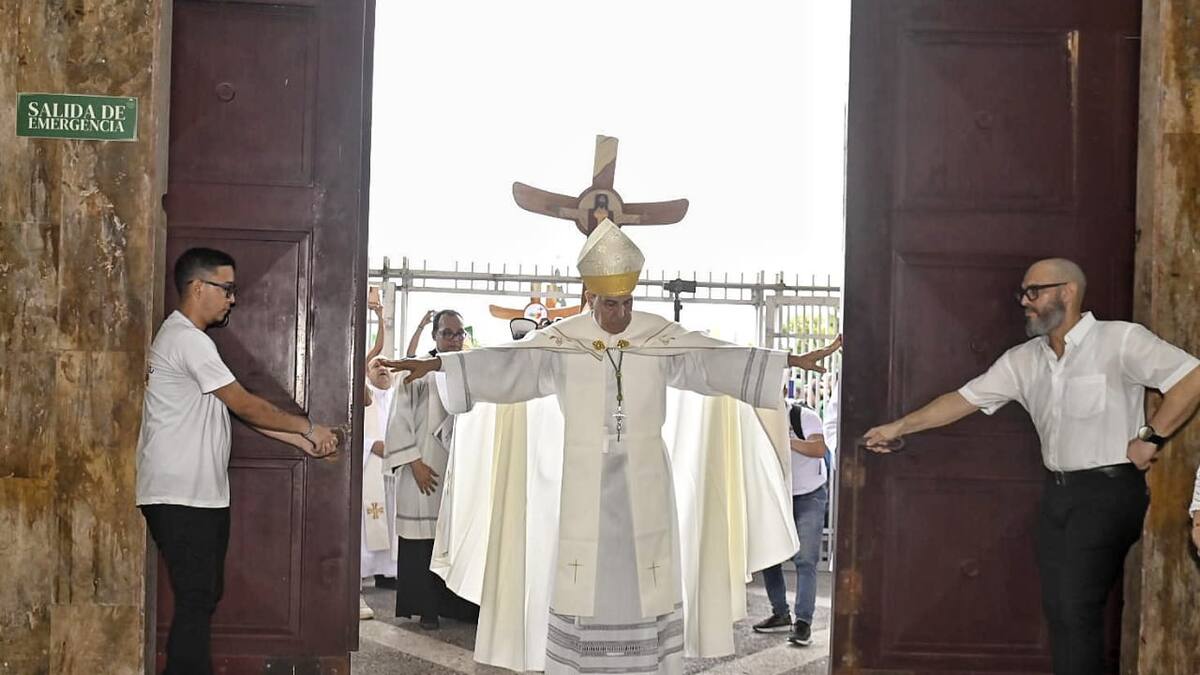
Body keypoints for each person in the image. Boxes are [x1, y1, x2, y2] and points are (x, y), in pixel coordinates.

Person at [383, 220, 840, 674]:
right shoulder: (563, 342)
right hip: (583, 487)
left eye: (627, 303)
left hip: (648, 486)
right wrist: (436, 366)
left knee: (647, 585)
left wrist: (789, 360)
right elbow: (505, 365)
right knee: (582, 586)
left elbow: (713, 358)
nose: (620, 315)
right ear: (590, 298)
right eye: (610, 304)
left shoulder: (656, 337)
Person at [863, 257, 1200, 675]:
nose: (1024, 301)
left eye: (1034, 292)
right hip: (1058, 495)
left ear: (1068, 292)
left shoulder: (1120, 340)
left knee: (1075, 604)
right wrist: (900, 426)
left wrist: (1150, 438)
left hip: (1110, 492)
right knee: (1061, 609)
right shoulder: (1023, 360)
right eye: (1023, 293)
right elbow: (963, 399)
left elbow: (1191, 377)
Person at [135, 247, 338, 675]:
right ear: (197, 287)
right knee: (196, 598)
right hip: (181, 494)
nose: (233, 298)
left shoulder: (187, 339)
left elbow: (233, 409)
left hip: (194, 494)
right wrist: (308, 427)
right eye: (226, 289)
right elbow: (245, 403)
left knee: (201, 596)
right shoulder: (188, 340)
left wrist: (301, 442)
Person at [384, 309, 479, 628]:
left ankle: (453, 606)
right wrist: (415, 464)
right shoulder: (417, 371)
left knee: (452, 539)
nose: (454, 339)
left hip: (457, 469)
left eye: (459, 333)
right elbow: (398, 420)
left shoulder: (470, 372)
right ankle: (425, 608)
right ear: (434, 335)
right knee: (422, 541)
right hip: (422, 468)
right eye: (447, 333)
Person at [752, 401, 828, 646]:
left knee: (805, 559)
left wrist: (785, 441)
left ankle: (803, 622)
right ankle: (780, 614)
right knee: (770, 556)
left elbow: (819, 448)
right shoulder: (757, 419)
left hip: (809, 495)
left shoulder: (803, 416)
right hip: (777, 495)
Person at [360, 298, 398, 619]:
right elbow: (355, 431)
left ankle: (390, 571)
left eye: (386, 366)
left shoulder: (399, 397)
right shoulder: (364, 397)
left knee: (393, 520)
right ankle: (364, 572)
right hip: (371, 466)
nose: (382, 368)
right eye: (376, 366)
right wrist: (372, 445)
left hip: (394, 471)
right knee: (371, 519)